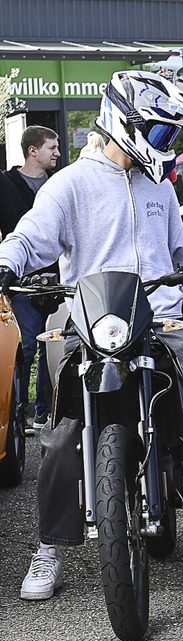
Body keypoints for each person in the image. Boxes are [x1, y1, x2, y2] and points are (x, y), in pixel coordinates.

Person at [0, 70, 183, 602]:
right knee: (60, 438)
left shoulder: (160, 186)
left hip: (159, 314)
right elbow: (30, 237)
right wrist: (5, 263)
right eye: (157, 131)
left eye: (168, 132)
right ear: (121, 122)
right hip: (91, 320)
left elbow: (178, 254)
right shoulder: (71, 184)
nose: (164, 142)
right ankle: (50, 548)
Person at [0, 125, 60, 431]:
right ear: (32, 151)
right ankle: (16, 416)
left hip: (58, 280)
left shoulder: (59, 184)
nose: (58, 153)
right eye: (52, 147)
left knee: (53, 346)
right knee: (23, 348)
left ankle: (44, 413)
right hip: (21, 280)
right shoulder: (6, 184)